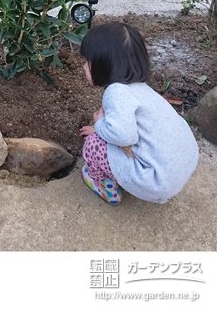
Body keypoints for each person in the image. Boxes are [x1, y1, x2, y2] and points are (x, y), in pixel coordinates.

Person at [78, 21, 199, 206]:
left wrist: (100, 124)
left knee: (92, 145)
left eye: (87, 62)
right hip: (182, 166)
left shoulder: (115, 91)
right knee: (104, 137)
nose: (83, 67)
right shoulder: (141, 89)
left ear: (105, 64)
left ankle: (105, 187)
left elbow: (123, 135)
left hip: (156, 182)